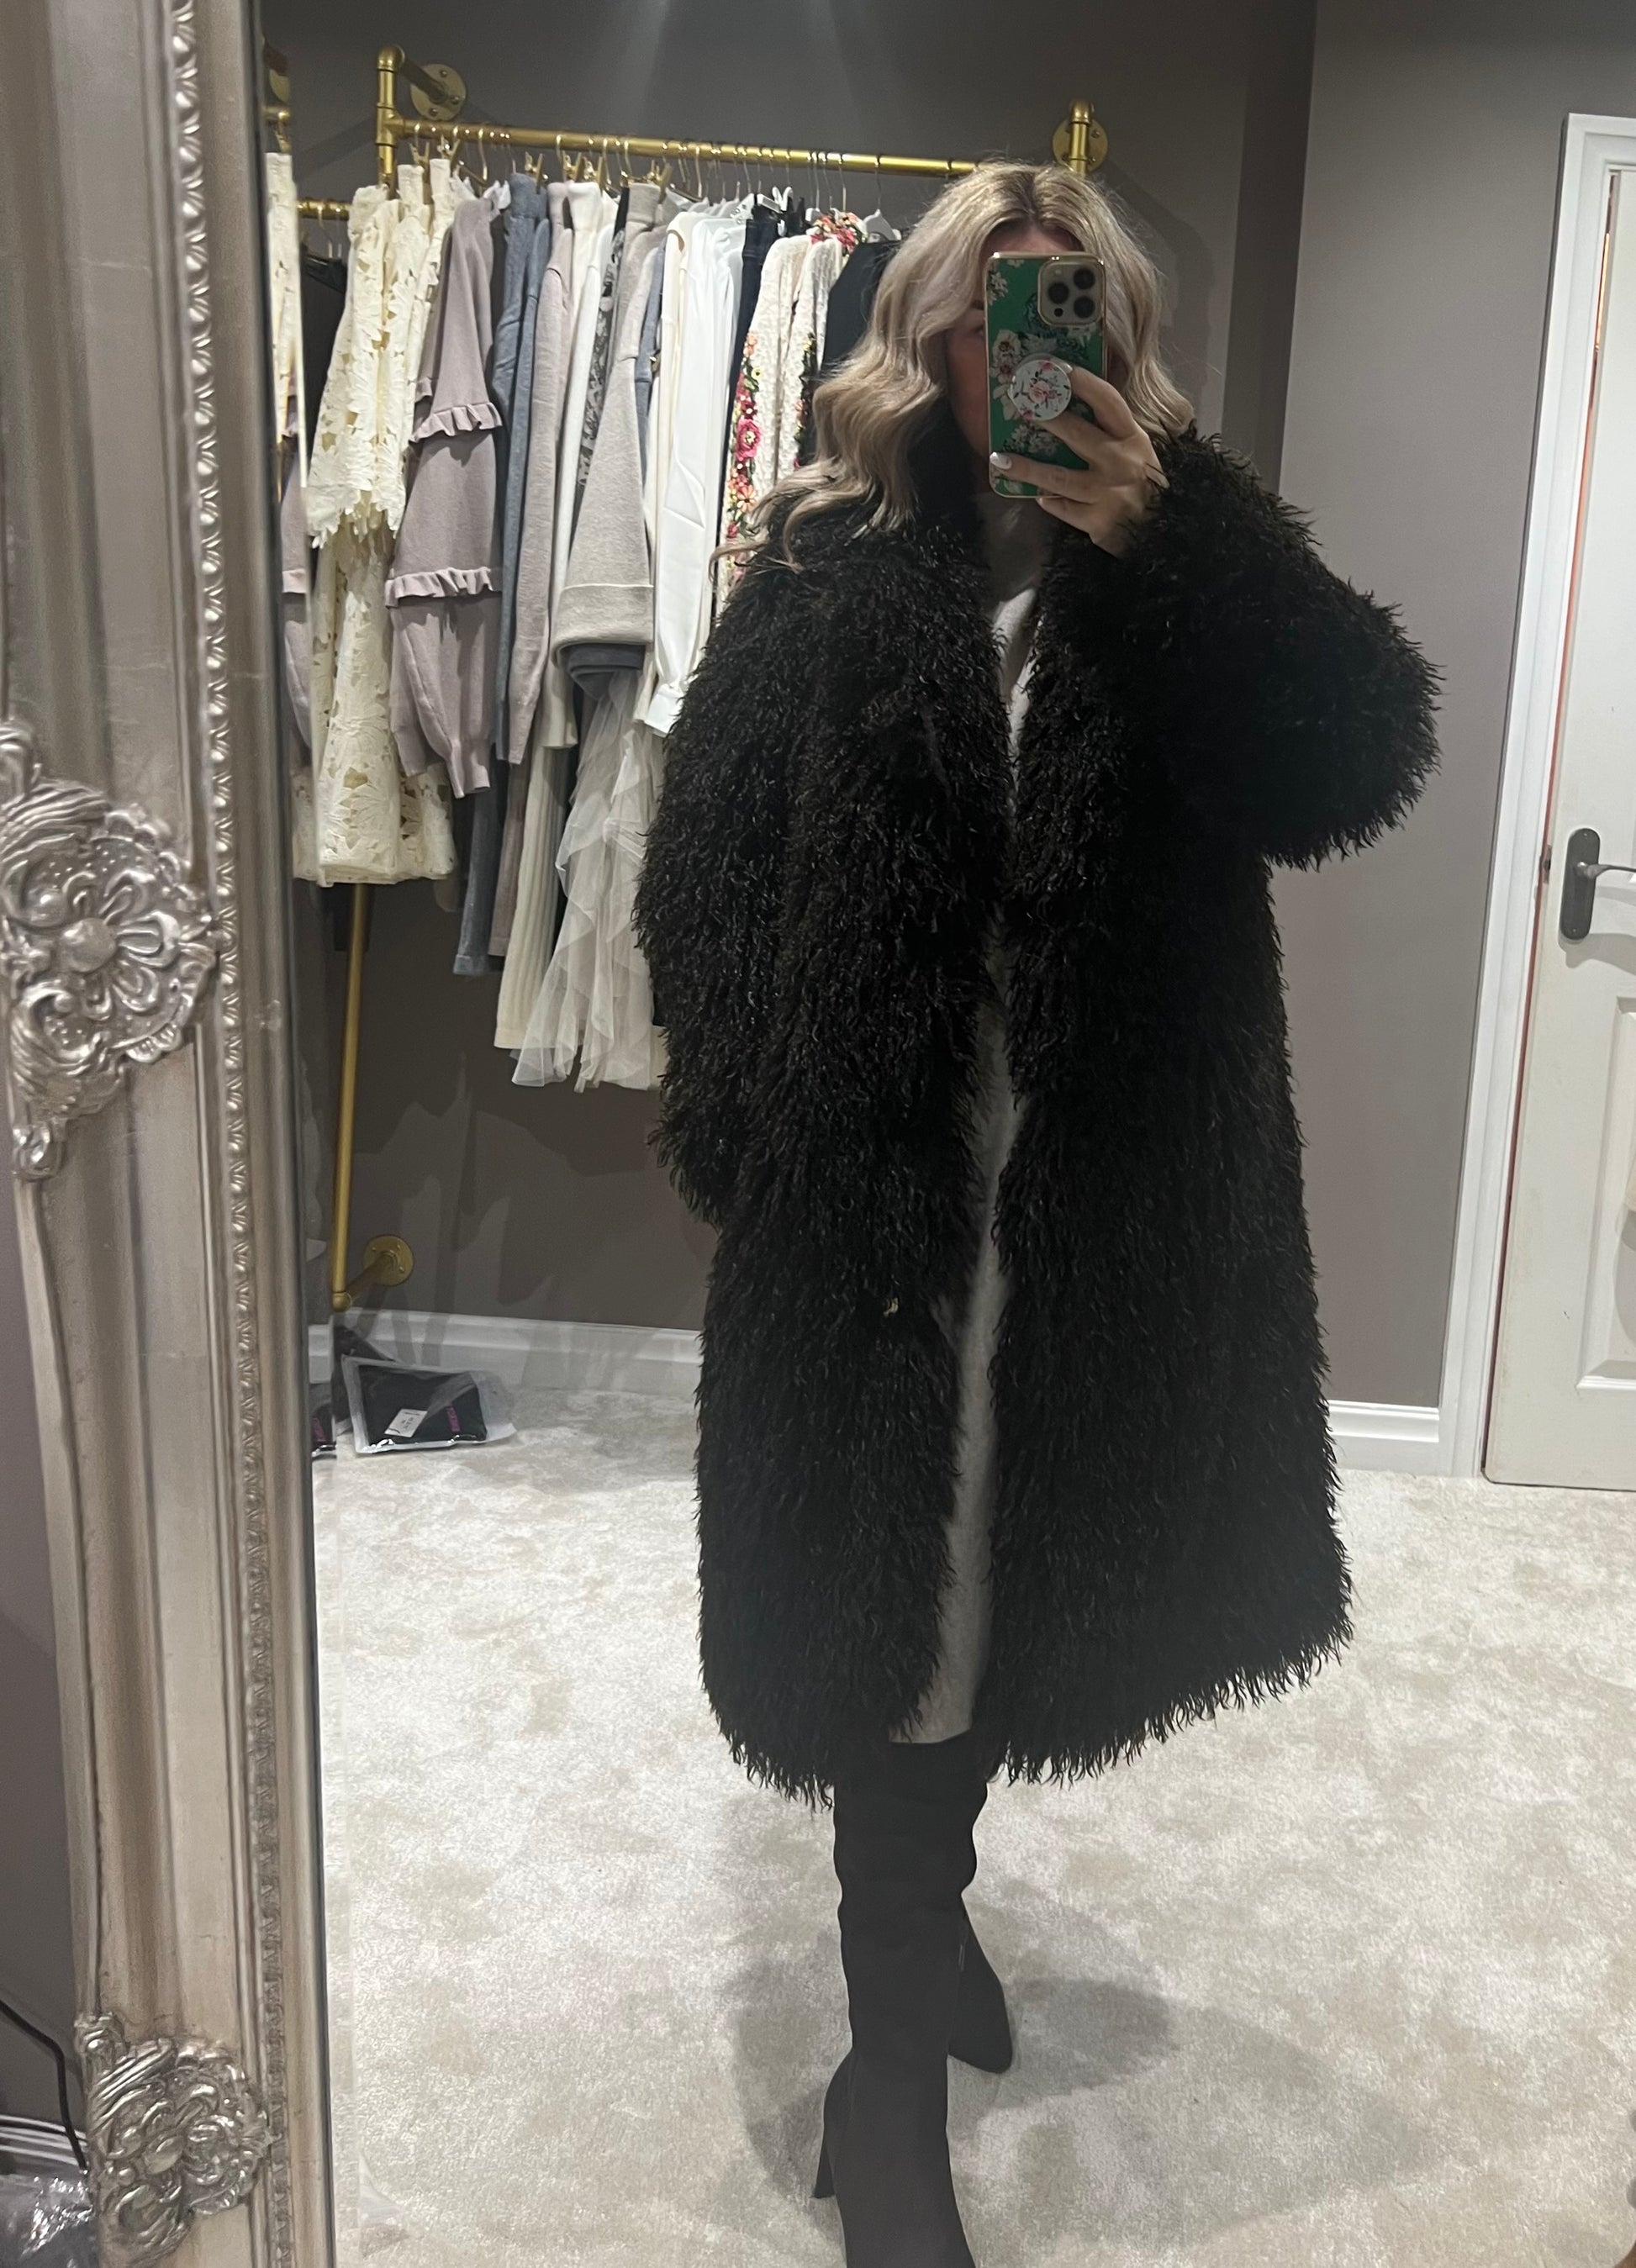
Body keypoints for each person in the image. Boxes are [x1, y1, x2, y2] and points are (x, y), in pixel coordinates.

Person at [632, 161, 1438, 2266]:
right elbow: (703, 867)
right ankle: (889, 2063)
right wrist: (751, 1137)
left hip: (1098, 1193)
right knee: (889, 1602)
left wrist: (1178, 541)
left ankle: (928, 1917)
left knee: (1002, 1577)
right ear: (928, 336)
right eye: (994, 310)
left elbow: (1355, 759)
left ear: (1121, 337)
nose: (1030, 348)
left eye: (1073, 305)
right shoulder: (824, 566)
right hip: (876, 1186)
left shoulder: (1178, 564)